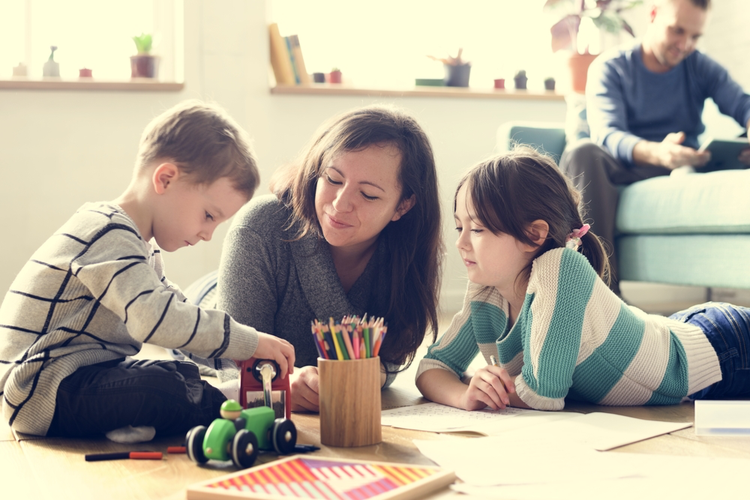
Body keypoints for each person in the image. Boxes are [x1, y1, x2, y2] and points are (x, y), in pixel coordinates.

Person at [0, 100, 295, 440]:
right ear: (166, 179)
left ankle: (186, 407)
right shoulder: (107, 232)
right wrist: (248, 341)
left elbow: (180, 314)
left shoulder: (140, 246)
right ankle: (234, 408)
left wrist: (236, 362)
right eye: (209, 216)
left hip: (79, 377)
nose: (207, 234)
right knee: (161, 387)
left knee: (176, 371)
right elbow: (157, 319)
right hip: (40, 389)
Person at [416, 146, 749, 412]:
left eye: (477, 229)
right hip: (680, 330)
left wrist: (487, 386)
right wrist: (466, 396)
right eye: (460, 227)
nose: (460, 243)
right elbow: (432, 366)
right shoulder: (486, 290)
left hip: (726, 349)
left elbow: (541, 394)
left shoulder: (560, 268)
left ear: (534, 235)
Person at [217, 104, 444, 412]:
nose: (340, 203)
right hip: (211, 304)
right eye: (333, 179)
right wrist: (284, 384)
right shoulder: (259, 226)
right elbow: (234, 362)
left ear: (403, 206)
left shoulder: (408, 254)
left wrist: (361, 374)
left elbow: (389, 359)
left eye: (368, 195)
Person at [559, 0, 750, 296]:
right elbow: (608, 133)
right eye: (677, 31)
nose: (685, 44)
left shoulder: (699, 65)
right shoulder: (612, 67)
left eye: (695, 36)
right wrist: (658, 152)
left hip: (685, 165)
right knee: (582, 152)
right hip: (628, 164)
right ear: (653, 15)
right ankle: (600, 293)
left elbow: (743, 105)